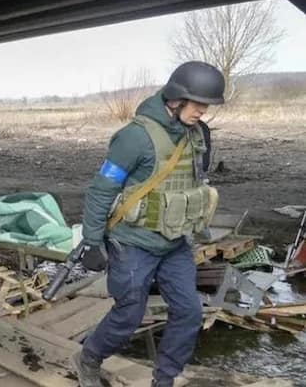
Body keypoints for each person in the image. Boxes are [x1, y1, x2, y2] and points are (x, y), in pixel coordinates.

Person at [75, 61, 225, 387]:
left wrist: (199, 224)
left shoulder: (196, 135)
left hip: (175, 243)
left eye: (207, 105)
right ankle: (88, 358)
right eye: (198, 103)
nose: (203, 111)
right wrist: (92, 241)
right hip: (133, 244)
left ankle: (164, 379)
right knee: (129, 314)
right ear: (176, 97)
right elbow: (102, 190)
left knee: (189, 313)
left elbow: (193, 184)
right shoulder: (135, 138)